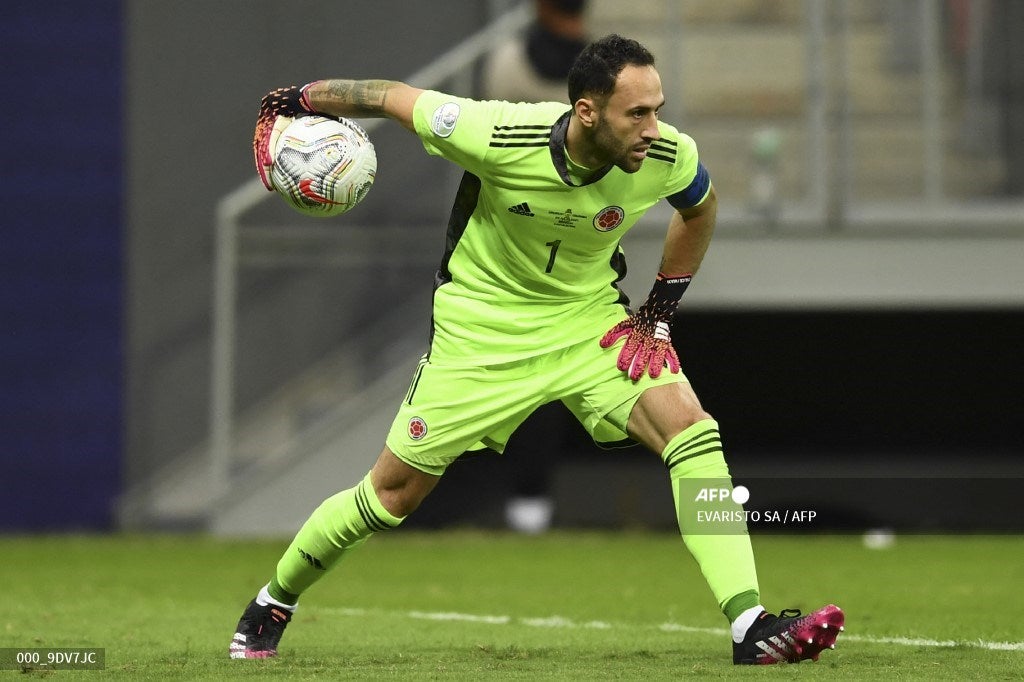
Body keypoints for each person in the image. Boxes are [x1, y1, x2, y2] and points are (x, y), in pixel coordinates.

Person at [231, 34, 844, 665]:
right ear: (586, 112)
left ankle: (749, 624)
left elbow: (700, 208)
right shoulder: (494, 133)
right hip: (483, 329)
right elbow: (391, 96)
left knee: (693, 432)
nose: (653, 128)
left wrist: (658, 312)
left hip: (589, 325)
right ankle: (274, 600)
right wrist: (297, 99)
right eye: (637, 114)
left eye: (657, 109)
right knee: (393, 494)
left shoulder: (667, 155)